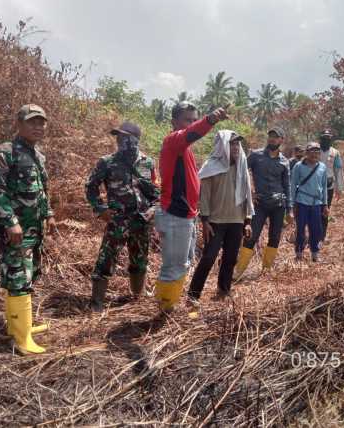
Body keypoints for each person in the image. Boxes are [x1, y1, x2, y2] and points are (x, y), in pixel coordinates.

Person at [0, 104, 57, 354]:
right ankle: (21, 338)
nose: (38, 127)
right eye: (32, 122)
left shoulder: (38, 155)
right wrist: (10, 221)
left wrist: (48, 214)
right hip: (16, 229)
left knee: (29, 275)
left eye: (42, 122)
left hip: (34, 229)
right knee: (18, 277)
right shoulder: (4, 153)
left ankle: (20, 326)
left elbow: (43, 188)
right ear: (19, 124)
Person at [154, 102, 228, 312]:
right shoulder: (173, 141)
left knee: (183, 262)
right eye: (188, 120)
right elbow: (192, 133)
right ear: (174, 122)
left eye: (194, 119)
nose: (191, 124)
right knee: (174, 267)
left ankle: (168, 305)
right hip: (176, 214)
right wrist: (210, 119)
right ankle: (164, 313)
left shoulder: (183, 149)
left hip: (186, 215)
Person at [86, 122, 159, 312]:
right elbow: (91, 187)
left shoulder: (148, 163)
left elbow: (156, 193)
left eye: (125, 136)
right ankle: (97, 304)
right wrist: (100, 209)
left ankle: (137, 298)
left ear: (135, 139)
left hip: (141, 221)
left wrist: (151, 212)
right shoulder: (107, 162)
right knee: (106, 260)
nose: (120, 140)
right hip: (117, 221)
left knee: (140, 261)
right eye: (118, 137)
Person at [186, 130, 254, 304]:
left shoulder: (241, 166)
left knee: (230, 258)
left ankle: (223, 290)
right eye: (232, 144)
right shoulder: (211, 167)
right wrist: (205, 220)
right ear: (222, 145)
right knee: (208, 257)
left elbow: (247, 195)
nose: (236, 147)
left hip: (236, 221)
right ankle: (193, 294)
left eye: (237, 144)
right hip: (215, 221)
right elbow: (205, 196)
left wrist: (247, 221)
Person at [234, 127, 292, 278]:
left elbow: (287, 186)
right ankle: (238, 271)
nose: (272, 139)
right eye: (270, 136)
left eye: (276, 137)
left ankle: (266, 270)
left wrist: (290, 209)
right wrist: (249, 193)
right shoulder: (255, 155)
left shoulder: (285, 161)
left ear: (281, 140)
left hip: (278, 205)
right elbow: (241, 173)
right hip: (259, 204)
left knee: (274, 237)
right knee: (251, 236)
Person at [291, 142, 329, 262]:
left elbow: (324, 187)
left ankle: (315, 253)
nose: (314, 154)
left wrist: (325, 204)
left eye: (317, 151)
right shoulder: (298, 166)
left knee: (316, 230)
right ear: (306, 153)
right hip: (301, 202)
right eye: (311, 151)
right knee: (300, 229)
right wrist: (292, 204)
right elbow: (292, 185)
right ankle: (299, 253)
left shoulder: (322, 167)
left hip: (316, 203)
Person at [318, 129, 344, 242]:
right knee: (313, 210)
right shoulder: (315, 150)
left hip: (329, 187)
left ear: (331, 139)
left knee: (325, 210)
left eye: (328, 138)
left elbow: (338, 170)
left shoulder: (335, 153)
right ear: (320, 139)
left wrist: (339, 188)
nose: (326, 140)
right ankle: (313, 234)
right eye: (324, 137)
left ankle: (322, 235)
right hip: (314, 186)